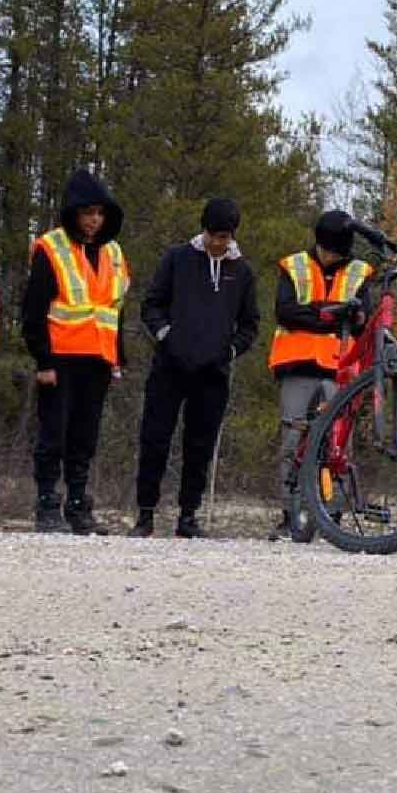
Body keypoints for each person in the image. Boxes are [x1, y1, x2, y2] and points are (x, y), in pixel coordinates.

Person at [128, 198, 260, 539]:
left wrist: (230, 350)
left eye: (226, 236)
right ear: (204, 230)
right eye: (215, 235)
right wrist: (166, 335)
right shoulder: (177, 259)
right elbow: (152, 304)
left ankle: (189, 515)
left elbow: (250, 324)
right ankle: (145, 514)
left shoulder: (242, 272)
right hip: (170, 367)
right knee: (155, 438)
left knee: (199, 445)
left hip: (213, 373)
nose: (219, 242)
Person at [21, 170, 130, 535]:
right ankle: (47, 504)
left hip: (98, 359)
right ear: (72, 213)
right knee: (54, 434)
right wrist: (43, 360)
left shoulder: (114, 253)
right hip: (61, 359)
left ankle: (79, 505)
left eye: (99, 213)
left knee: (85, 437)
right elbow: (33, 311)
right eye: (87, 213)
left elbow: (115, 309)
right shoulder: (51, 249)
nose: (94, 220)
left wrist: (118, 359)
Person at [266, 210, 373, 541]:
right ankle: (290, 515)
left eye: (340, 253)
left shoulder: (360, 272)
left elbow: (361, 320)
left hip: (340, 369)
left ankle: (333, 517)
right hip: (296, 364)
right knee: (293, 440)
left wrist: (317, 313)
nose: (334, 258)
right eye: (330, 251)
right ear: (319, 244)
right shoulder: (294, 266)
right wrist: (331, 316)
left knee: (340, 445)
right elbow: (285, 311)